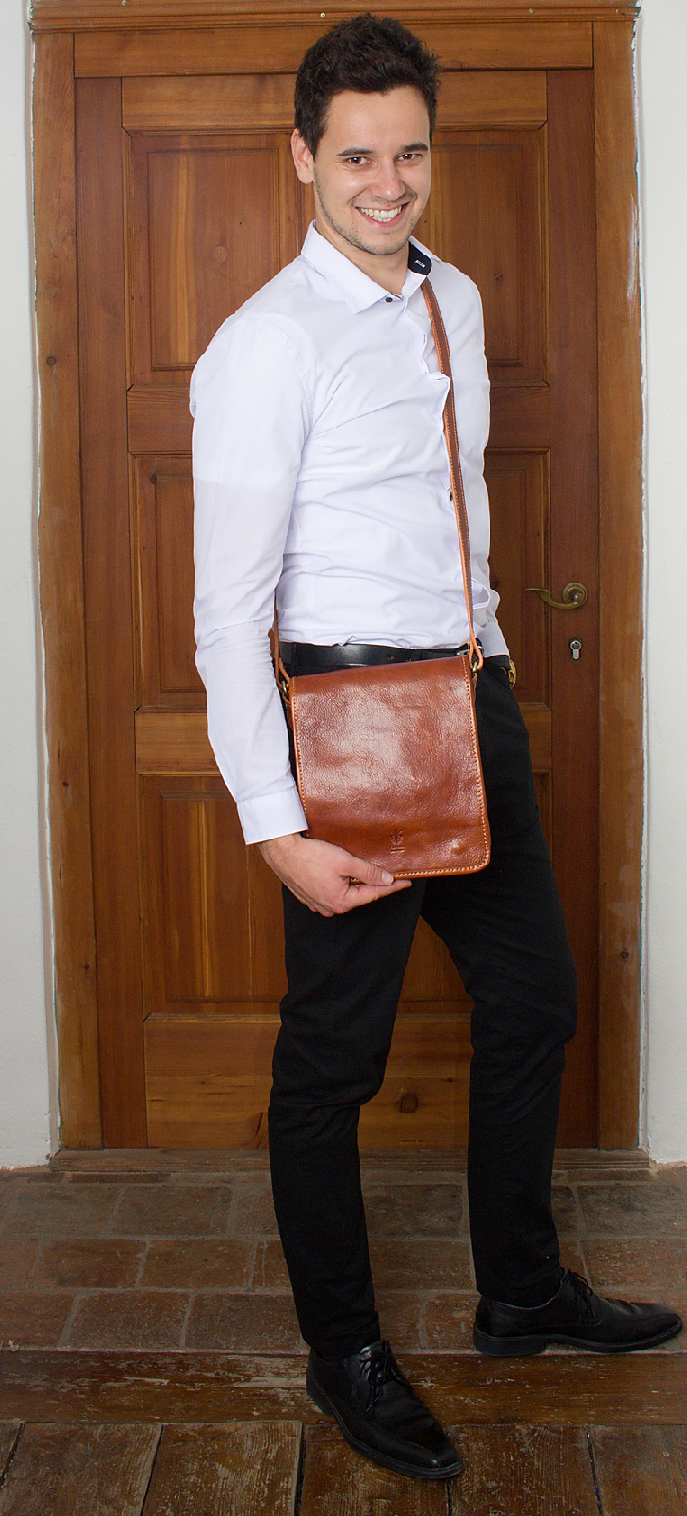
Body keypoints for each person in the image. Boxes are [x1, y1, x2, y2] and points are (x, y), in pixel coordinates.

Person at [191, 13, 682, 1483]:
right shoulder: (264, 344)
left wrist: (494, 668)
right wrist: (273, 820)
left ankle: (520, 1293)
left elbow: (445, 516)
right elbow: (227, 613)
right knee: (330, 1064)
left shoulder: (450, 297)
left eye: (408, 151)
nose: (387, 182)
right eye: (357, 157)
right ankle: (342, 1348)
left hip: (470, 697)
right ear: (302, 158)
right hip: (349, 726)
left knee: (534, 999)